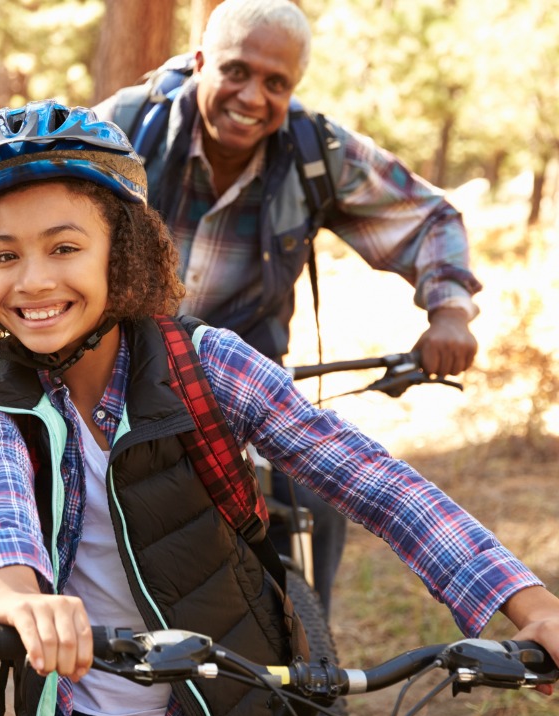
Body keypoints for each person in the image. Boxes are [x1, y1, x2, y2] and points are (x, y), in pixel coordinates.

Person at [0, 100, 558, 716]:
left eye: (64, 247)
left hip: (229, 699)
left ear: (119, 252)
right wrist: (19, 594)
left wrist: (530, 604)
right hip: (69, 706)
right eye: (5, 256)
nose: (34, 281)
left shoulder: (204, 362)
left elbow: (377, 483)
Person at [91, 0, 481, 615]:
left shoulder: (313, 151)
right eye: (237, 71)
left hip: (246, 380)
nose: (252, 96)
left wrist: (450, 311)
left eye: (276, 83)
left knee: (313, 503)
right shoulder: (124, 130)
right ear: (200, 62)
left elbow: (430, 217)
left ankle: (309, 676)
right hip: (116, 372)